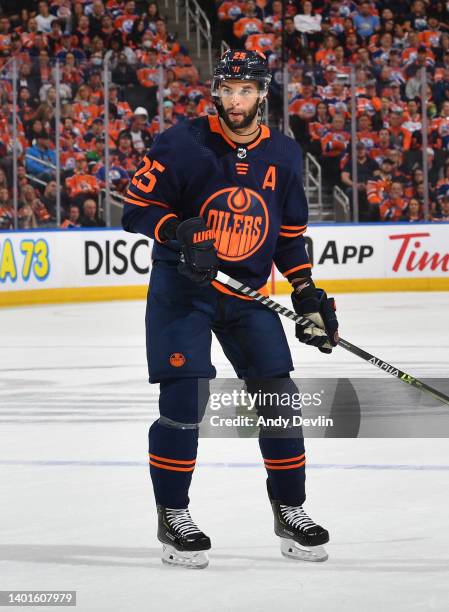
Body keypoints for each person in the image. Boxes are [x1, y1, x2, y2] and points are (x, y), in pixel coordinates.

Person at [122, 50, 339, 569]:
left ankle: (291, 510)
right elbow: (137, 208)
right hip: (183, 290)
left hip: (246, 295)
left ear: (263, 93)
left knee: (280, 400)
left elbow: (289, 237)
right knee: (184, 403)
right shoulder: (180, 143)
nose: (235, 100)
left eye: (246, 90)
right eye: (227, 89)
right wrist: (177, 230)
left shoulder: (285, 155)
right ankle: (173, 514)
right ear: (215, 91)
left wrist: (306, 293)